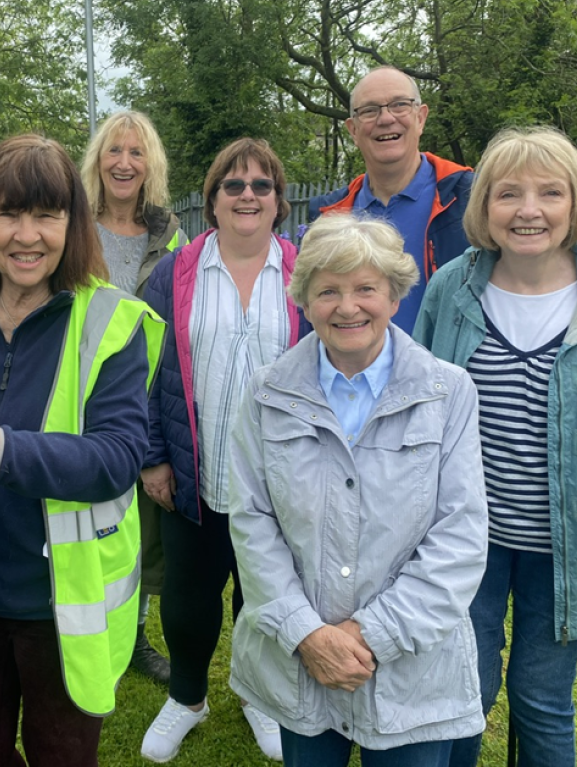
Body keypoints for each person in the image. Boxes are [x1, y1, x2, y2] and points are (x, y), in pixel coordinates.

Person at [0, 134, 166, 767]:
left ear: (72, 224)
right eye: (8, 213)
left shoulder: (113, 321)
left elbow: (118, 458)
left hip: (59, 604)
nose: (27, 235)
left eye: (46, 215)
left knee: (61, 756)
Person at [413, 126, 577, 766]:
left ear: (574, 203)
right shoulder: (453, 288)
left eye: (549, 193)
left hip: (568, 546)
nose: (528, 210)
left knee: (542, 698)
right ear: (485, 208)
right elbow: (420, 392)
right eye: (508, 194)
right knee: (462, 691)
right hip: (465, 536)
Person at [228, 212, 488, 767]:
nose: (348, 307)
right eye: (328, 291)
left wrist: (371, 635)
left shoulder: (449, 392)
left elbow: (460, 536)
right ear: (304, 302)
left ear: (395, 296)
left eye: (366, 288)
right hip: (302, 664)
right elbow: (251, 522)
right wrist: (307, 635)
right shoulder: (267, 393)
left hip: (411, 670)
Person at [140, 137, 311, 763]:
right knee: (188, 600)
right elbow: (145, 369)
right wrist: (153, 456)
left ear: (278, 201)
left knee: (263, 597)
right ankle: (187, 697)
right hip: (195, 475)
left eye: (261, 186)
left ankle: (259, 697)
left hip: (280, 481)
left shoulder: (304, 270)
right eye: (232, 185)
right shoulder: (174, 272)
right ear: (211, 199)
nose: (247, 195)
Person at [81, 109, 189, 684]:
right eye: (114, 151)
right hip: (76, 400)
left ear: (152, 165)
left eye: (137, 152)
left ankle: (132, 639)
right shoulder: (73, 223)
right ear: (98, 159)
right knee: (78, 521)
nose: (124, 162)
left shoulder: (171, 235)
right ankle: (74, 627)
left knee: (141, 537)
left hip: (143, 403)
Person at [307, 65, 473, 332]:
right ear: (353, 130)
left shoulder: (470, 199)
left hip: (449, 370)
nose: (385, 119)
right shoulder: (329, 216)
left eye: (399, 105)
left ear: (421, 118)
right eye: (370, 110)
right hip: (357, 373)